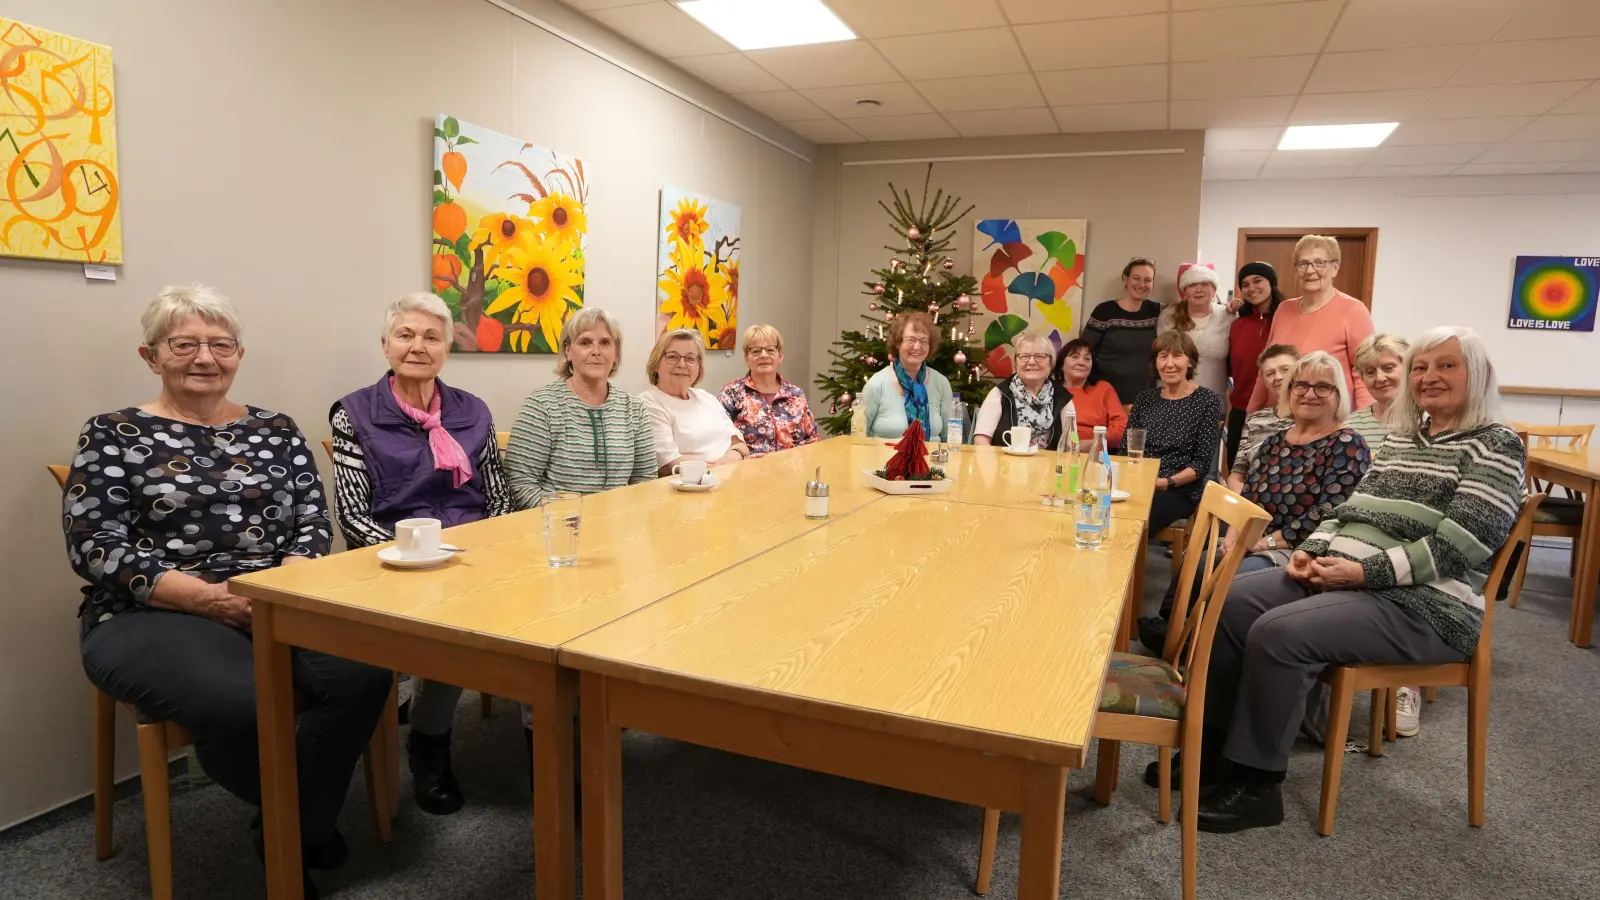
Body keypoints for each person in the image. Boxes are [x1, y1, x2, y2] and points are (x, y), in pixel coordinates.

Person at [68, 286, 391, 900]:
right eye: (183, 344)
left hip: (276, 595)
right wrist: (207, 597)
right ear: (151, 354)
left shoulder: (276, 428)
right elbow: (95, 546)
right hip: (151, 607)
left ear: (239, 354)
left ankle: (287, 828)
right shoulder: (111, 433)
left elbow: (311, 522)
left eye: (219, 345)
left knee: (365, 675)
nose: (204, 358)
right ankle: (303, 830)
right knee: (243, 700)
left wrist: (279, 585)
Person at [1192, 327, 1525, 834]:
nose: (1429, 376)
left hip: (1425, 605)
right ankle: (1212, 752)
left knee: (1279, 632)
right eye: (1420, 366)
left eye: (1446, 365)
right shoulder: (1401, 438)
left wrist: (1364, 572)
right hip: (1347, 577)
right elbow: (1346, 509)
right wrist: (1311, 551)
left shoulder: (1494, 445)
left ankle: (1257, 784)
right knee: (1229, 600)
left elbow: (1465, 543)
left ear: (1476, 375)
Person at [329, 292, 511, 816]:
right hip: (393, 560)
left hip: (472, 555)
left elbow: (497, 497)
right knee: (454, 622)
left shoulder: (472, 411)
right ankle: (430, 746)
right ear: (385, 344)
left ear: (448, 346)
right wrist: (414, 559)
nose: (418, 346)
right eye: (406, 335)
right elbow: (353, 515)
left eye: (431, 336)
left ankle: (531, 737)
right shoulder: (352, 413)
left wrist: (474, 552)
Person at [505, 306, 656, 509]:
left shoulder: (634, 408)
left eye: (605, 343)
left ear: (616, 352)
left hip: (618, 527)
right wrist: (572, 517)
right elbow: (519, 484)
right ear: (568, 351)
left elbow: (644, 480)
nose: (596, 352)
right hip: (558, 528)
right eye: (585, 342)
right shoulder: (541, 405)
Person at [1246, 234, 1375, 412]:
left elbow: (1364, 372)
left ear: (1335, 268)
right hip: (1281, 415)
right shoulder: (1284, 309)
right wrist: (1252, 411)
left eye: (1319, 262)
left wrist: (1364, 423)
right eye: (1303, 264)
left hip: (1329, 417)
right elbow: (1267, 365)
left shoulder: (1353, 310)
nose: (1310, 270)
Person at [1127, 330, 1223, 537]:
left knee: (1134, 523)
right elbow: (1129, 449)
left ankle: (1123, 565)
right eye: (1163, 356)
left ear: (1190, 362)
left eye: (1177, 355)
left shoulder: (1207, 401)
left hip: (1179, 488)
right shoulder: (1145, 399)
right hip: (1140, 481)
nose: (1170, 364)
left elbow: (1201, 463)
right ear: (1156, 363)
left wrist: (1167, 482)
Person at [642, 328, 750, 475]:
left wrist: (727, 462)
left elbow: (739, 444)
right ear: (656, 363)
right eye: (673, 357)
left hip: (727, 476)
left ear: (699, 367)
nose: (682, 364)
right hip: (688, 487)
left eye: (690, 358)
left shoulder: (706, 398)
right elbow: (668, 464)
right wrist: (720, 468)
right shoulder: (648, 402)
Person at [717, 324, 819, 457]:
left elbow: (812, 440)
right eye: (756, 351)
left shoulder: (795, 394)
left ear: (780, 356)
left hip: (792, 472)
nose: (764, 355)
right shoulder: (731, 393)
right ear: (746, 358)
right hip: (747, 473)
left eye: (770, 350)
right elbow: (717, 440)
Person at [863, 310, 953, 442]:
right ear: (898, 343)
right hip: (885, 461)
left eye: (923, 341)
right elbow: (859, 437)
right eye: (911, 340)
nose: (917, 347)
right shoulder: (877, 383)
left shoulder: (941, 383)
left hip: (931, 461)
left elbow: (949, 438)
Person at [973, 332, 1072, 450]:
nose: (1031, 362)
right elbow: (981, 441)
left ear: (1051, 362)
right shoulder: (1000, 394)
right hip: (1005, 465)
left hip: (1049, 466)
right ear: (1016, 362)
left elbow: (1070, 444)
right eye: (1024, 356)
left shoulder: (1062, 397)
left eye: (1039, 356)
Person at [1082, 258, 1162, 403]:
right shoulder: (1105, 311)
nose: (1141, 285)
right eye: (1136, 278)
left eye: (1148, 280)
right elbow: (1083, 349)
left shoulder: (1157, 311)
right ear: (1125, 279)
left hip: (1145, 396)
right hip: (1106, 394)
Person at [1227, 262, 1284, 465]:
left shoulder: (1286, 319)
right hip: (1241, 412)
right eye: (1245, 284)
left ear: (1272, 284)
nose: (1251, 288)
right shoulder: (1238, 325)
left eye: (1257, 281)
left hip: (1279, 411)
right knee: (1237, 469)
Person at [1225, 344, 1297, 493]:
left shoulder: (1315, 418)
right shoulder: (1255, 420)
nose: (1278, 377)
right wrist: (1246, 504)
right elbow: (1236, 476)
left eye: (1285, 369)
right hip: (1252, 504)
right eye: (1270, 373)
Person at [1159, 264, 1235, 398]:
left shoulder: (1228, 315)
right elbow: (1163, 355)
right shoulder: (1169, 316)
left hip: (1213, 397)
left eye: (1205, 284)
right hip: (1174, 397)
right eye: (1192, 285)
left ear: (1214, 289)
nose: (1198, 289)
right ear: (1184, 291)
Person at [1056, 337, 1127, 447]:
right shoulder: (1051, 390)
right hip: (1058, 452)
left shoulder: (1104, 389)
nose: (1081, 362)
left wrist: (1094, 443)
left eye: (1087, 359)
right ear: (1061, 364)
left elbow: (1121, 428)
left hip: (1098, 453)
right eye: (1075, 357)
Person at [1345, 333, 1410, 450]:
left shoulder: (1429, 420)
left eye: (1388, 368)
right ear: (1362, 378)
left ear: (1408, 367)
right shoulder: (1350, 427)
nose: (1380, 378)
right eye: (1370, 372)